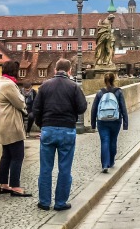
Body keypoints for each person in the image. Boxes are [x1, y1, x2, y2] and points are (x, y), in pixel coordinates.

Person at [33, 59, 87, 211]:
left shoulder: (44, 87)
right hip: (67, 130)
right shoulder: (74, 87)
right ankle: (60, 203)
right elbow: (82, 107)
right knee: (64, 169)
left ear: (55, 70)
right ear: (69, 71)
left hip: (48, 129)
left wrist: (42, 124)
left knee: (45, 168)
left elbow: (36, 110)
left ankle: (44, 202)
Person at [0, 61, 32, 197]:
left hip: (3, 124)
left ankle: (4, 185)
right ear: (14, 71)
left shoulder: (0, 83)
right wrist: (22, 98)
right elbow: (21, 102)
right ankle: (15, 187)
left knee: (7, 156)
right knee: (18, 156)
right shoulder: (9, 85)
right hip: (11, 125)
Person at [92, 72, 129, 174]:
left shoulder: (100, 93)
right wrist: (125, 123)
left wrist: (93, 124)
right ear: (114, 80)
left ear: (104, 80)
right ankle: (111, 161)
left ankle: (105, 164)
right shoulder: (118, 92)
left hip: (102, 121)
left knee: (105, 141)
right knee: (113, 140)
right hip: (115, 120)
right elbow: (123, 108)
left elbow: (94, 109)